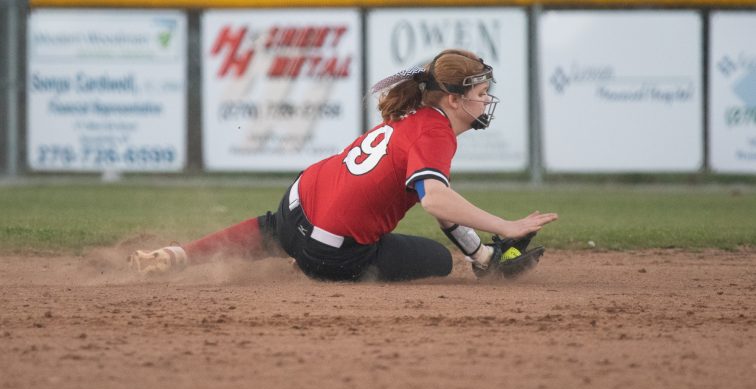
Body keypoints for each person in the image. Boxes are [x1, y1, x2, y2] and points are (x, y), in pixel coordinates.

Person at [129, 49, 558, 281]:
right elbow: (437, 202)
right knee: (437, 262)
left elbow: (439, 198)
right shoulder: (435, 133)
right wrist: (505, 227)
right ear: (453, 99)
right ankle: (308, 262)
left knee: (272, 229)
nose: (486, 101)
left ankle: (177, 255)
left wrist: (481, 254)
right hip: (328, 252)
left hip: (297, 204)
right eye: (481, 92)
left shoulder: (413, 119)